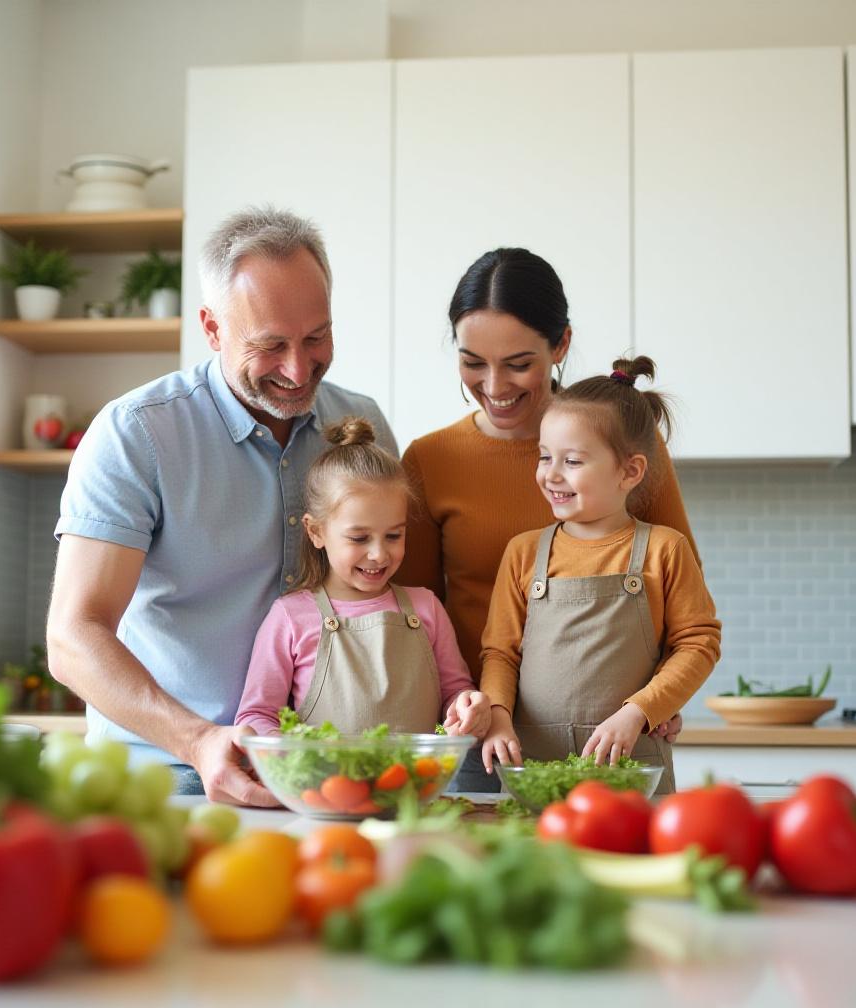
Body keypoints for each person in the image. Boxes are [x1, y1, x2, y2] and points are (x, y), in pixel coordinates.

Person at [46, 207, 396, 804]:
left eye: (316, 337)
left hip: (325, 777)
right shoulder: (138, 435)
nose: (296, 367)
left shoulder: (361, 427)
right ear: (212, 329)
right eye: (270, 346)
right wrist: (198, 741)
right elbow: (73, 637)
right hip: (164, 776)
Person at [396, 248, 694, 788]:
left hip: (614, 737)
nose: (493, 385)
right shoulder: (428, 461)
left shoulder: (627, 445)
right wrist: (469, 710)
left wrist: (654, 702)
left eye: (518, 363)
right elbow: (412, 619)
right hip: (483, 740)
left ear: (560, 344)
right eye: (472, 362)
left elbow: (682, 612)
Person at [478, 356, 722, 796]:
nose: (551, 474)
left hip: (630, 762)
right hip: (531, 765)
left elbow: (699, 643)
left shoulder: (665, 550)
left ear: (630, 471)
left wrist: (642, 711)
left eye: (571, 460)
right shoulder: (523, 553)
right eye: (545, 456)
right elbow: (500, 653)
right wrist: (497, 718)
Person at [235, 417, 490, 739]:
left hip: (413, 787)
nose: (379, 554)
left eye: (394, 535)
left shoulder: (426, 608)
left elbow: (455, 692)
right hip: (323, 787)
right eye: (359, 538)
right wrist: (287, 753)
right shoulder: (291, 617)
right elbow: (256, 714)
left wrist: (466, 707)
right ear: (316, 531)